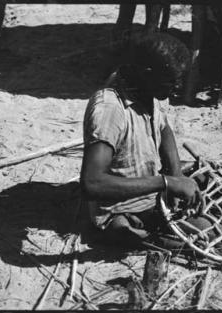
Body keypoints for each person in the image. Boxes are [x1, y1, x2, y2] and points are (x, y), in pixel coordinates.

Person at [80, 33, 204, 248]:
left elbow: (163, 127)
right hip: (124, 208)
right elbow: (91, 183)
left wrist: (175, 173)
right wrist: (166, 183)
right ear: (148, 73)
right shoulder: (110, 109)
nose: (177, 87)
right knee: (205, 237)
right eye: (171, 82)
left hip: (153, 191)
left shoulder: (148, 89)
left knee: (209, 181)